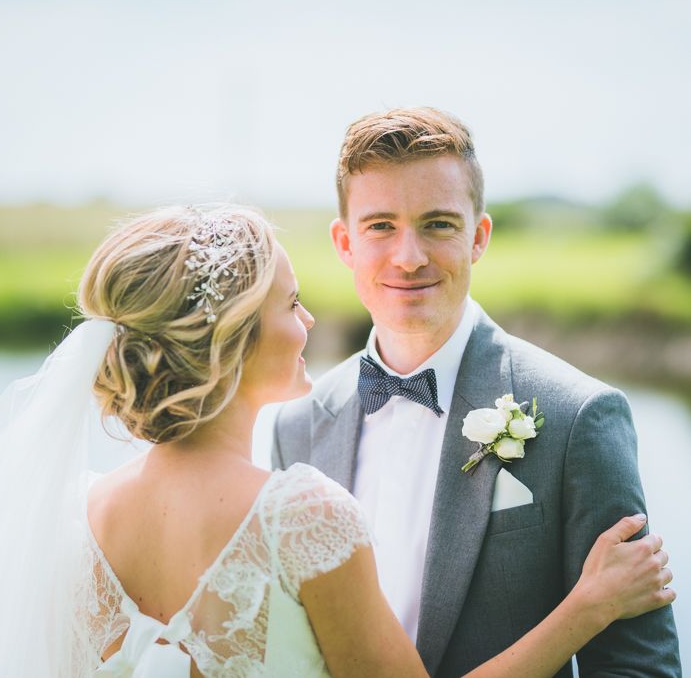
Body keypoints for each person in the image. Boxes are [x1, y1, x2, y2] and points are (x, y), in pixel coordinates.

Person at [0, 205, 675, 678]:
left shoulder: (81, 516)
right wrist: (586, 606)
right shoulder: (300, 514)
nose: (308, 324)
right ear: (232, 338)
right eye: (290, 303)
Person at [272, 107, 682, 677]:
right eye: (380, 226)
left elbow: (638, 667)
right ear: (344, 242)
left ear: (478, 237)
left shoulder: (578, 415)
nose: (409, 257)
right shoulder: (295, 426)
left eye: (438, 224)